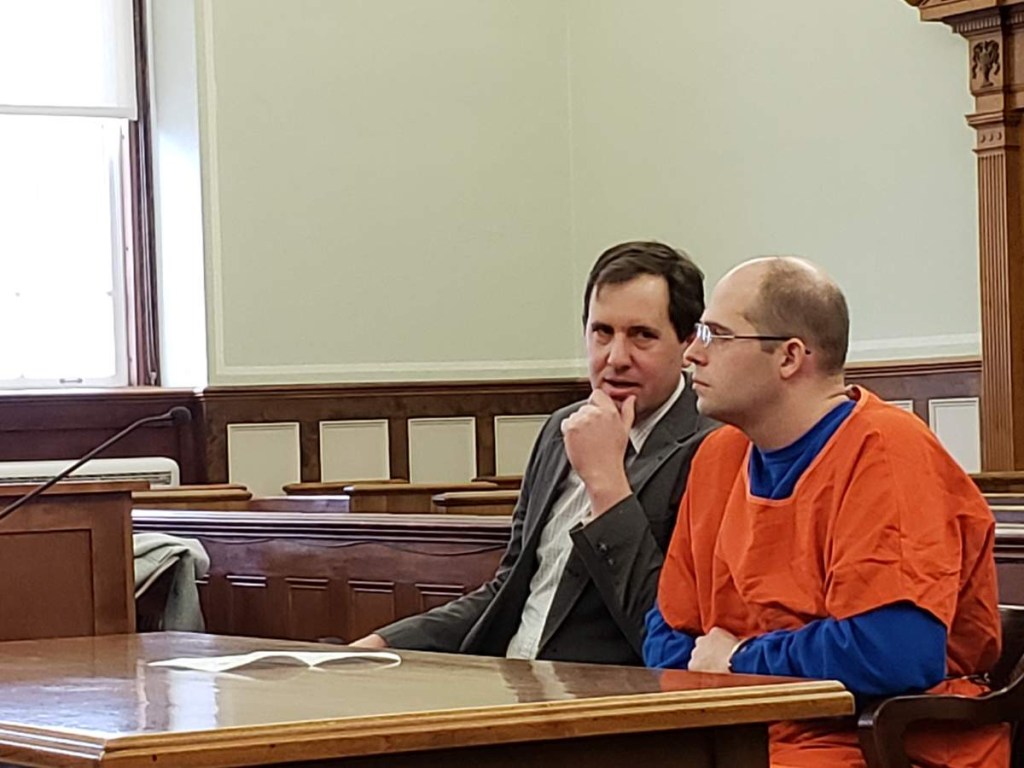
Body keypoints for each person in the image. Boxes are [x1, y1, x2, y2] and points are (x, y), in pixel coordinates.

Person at [644, 256, 1007, 767]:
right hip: (741, 730)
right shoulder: (717, 457)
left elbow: (895, 653)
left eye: (716, 335)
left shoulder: (887, 453)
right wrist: (721, 667)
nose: (692, 355)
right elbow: (666, 632)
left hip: (875, 741)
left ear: (790, 356)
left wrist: (740, 660)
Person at [351, 240, 717, 664]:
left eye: (642, 336)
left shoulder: (710, 448)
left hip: (604, 699)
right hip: (512, 678)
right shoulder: (560, 429)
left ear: (688, 343)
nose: (616, 358)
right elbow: (509, 589)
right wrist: (382, 645)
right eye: (602, 332)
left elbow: (664, 627)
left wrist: (607, 486)